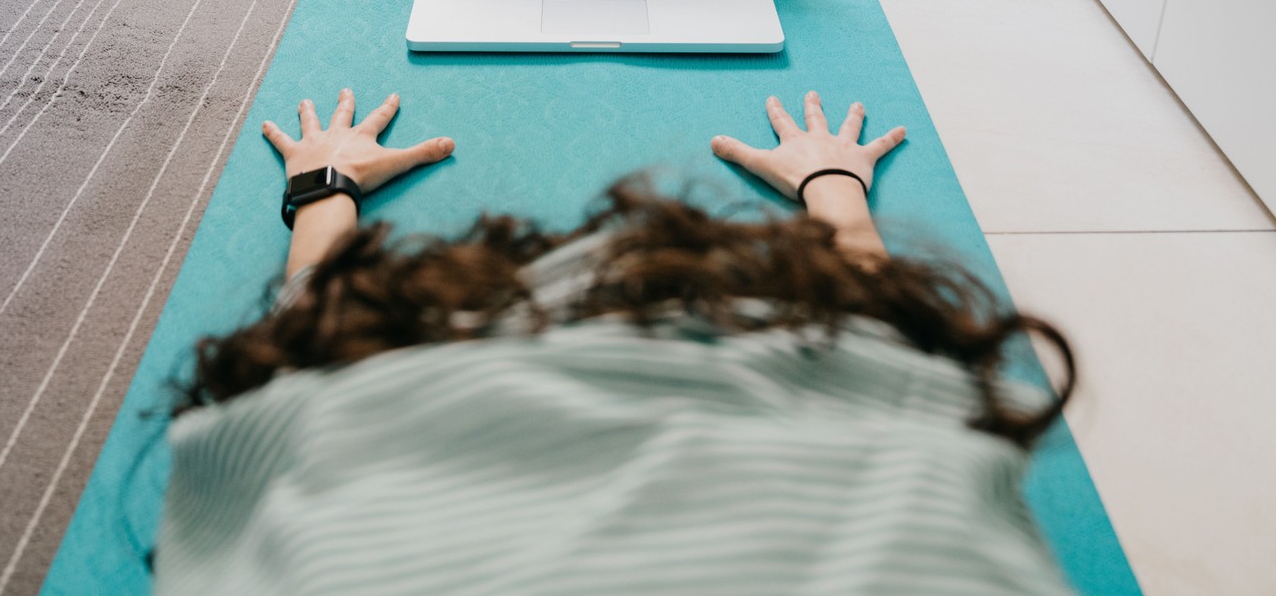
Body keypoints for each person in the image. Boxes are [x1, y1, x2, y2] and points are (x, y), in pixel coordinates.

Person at [151, 89, 1079, 596]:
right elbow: (875, 305)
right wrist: (833, 184)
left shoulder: (344, 401)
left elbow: (308, 320)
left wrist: (323, 186)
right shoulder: (878, 381)